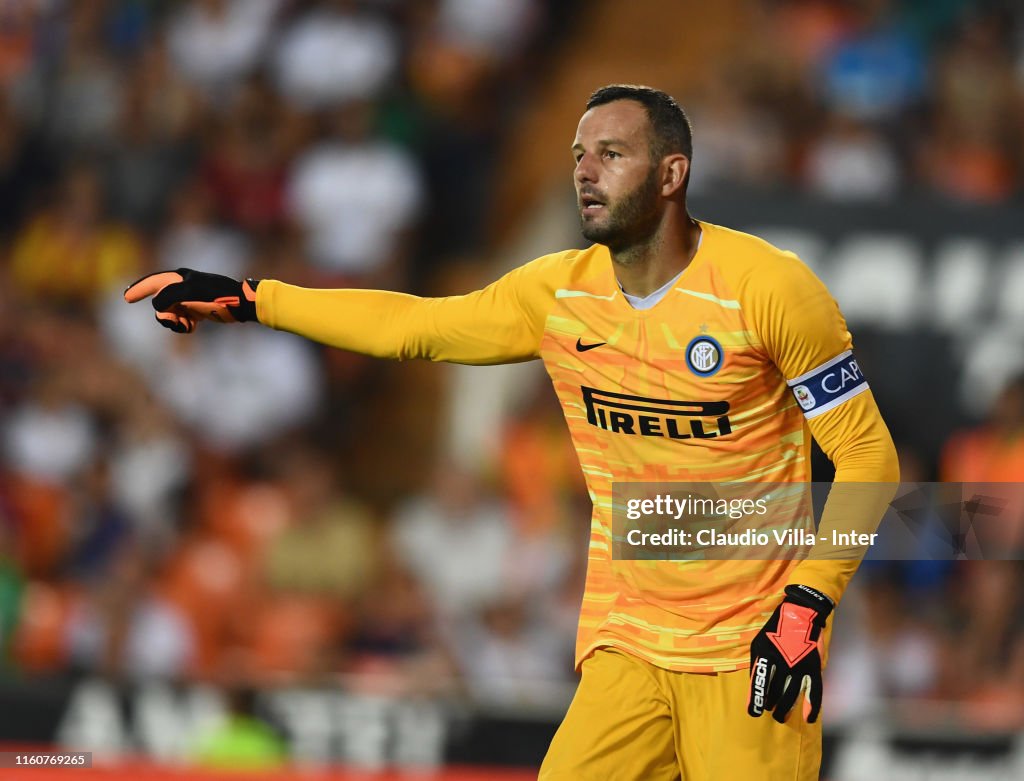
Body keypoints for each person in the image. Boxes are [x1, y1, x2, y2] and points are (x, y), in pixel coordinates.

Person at [125, 84, 899, 781]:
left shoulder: (771, 290)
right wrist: (252, 298)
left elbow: (869, 456)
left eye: (612, 153)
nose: (586, 171)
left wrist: (805, 608)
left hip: (753, 650)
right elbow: (414, 326)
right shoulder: (556, 292)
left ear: (672, 175)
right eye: (578, 155)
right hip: (628, 642)